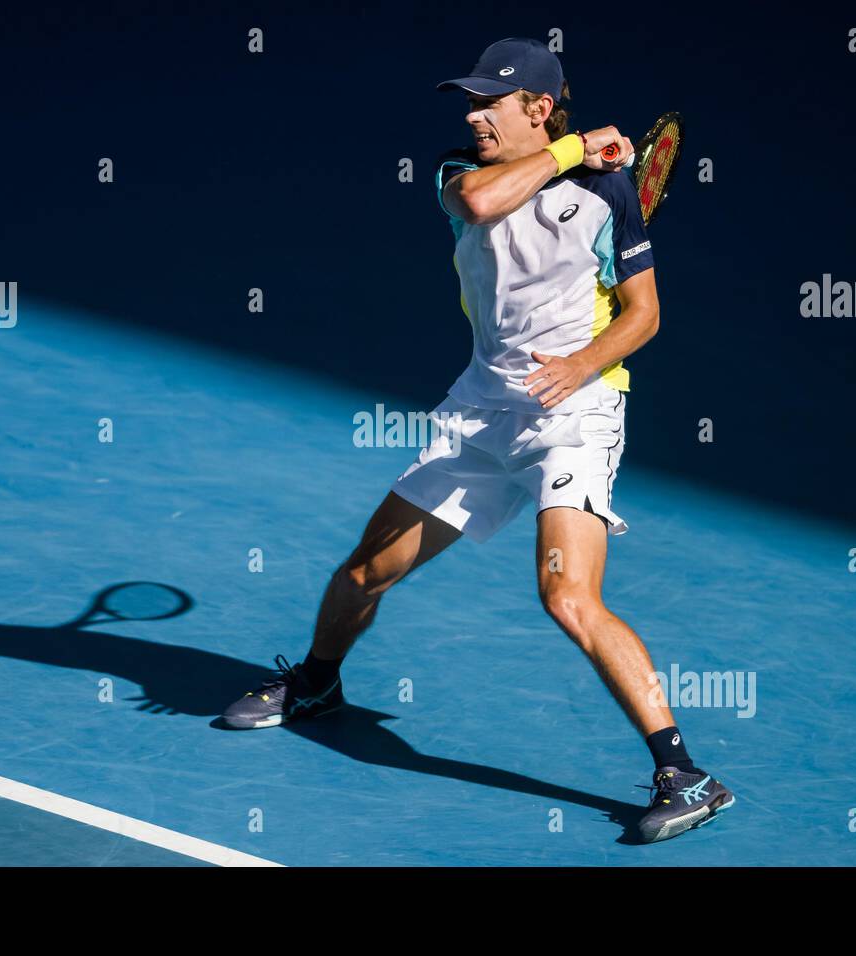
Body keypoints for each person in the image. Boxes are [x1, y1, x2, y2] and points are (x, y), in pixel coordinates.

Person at [220, 37, 734, 844]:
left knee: (567, 596)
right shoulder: (460, 173)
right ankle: (317, 684)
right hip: (481, 412)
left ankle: (685, 773)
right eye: (470, 100)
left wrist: (580, 363)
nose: (471, 114)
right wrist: (573, 146)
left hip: (577, 414)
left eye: (488, 101)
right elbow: (484, 207)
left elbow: (645, 315)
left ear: (536, 106)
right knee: (366, 568)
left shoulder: (608, 193)